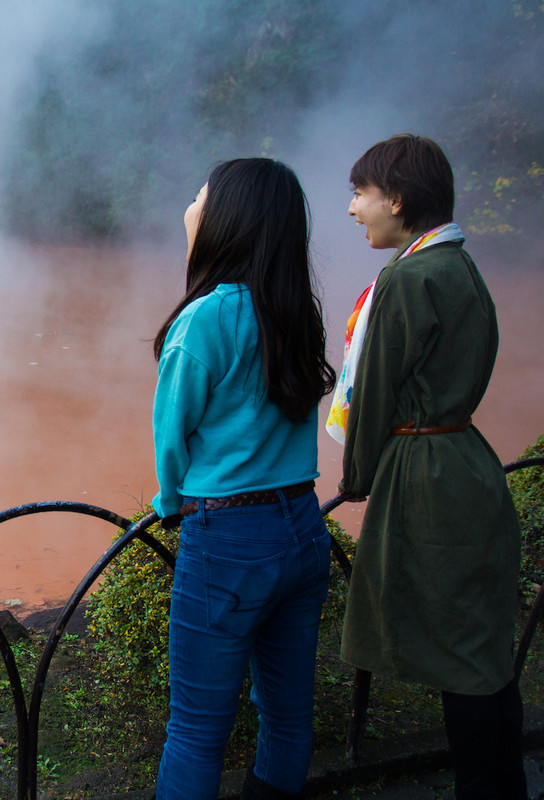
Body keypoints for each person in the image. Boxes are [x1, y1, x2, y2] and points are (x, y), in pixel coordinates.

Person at [332, 133, 526, 799]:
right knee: (484, 653)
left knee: (461, 662)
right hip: (469, 458)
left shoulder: (407, 278)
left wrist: (356, 479)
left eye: (360, 193)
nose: (353, 208)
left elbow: (373, 394)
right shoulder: (461, 265)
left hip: (427, 474)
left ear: (396, 198)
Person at [151, 158, 337, 800]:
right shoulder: (296, 313)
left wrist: (169, 503)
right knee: (286, 715)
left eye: (199, 197)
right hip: (304, 527)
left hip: (228, 539)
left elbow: (171, 439)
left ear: (226, 219)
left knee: (196, 729)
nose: (190, 207)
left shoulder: (204, 319)